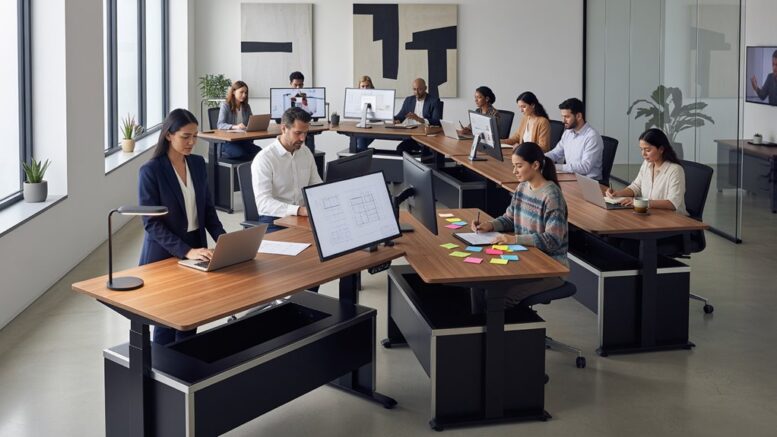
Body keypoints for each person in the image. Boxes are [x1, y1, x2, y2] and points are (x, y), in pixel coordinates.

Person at [138, 109, 226, 345]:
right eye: (185, 136)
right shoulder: (151, 171)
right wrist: (187, 251)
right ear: (169, 135)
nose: (191, 142)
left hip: (197, 247)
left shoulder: (197, 164)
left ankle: (185, 363)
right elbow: (151, 224)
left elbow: (207, 210)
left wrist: (224, 241)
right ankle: (161, 365)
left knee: (191, 316)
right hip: (164, 254)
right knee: (167, 321)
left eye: (195, 136)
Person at [471, 142, 568, 307]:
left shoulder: (552, 196)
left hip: (551, 268)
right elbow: (510, 218)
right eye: (514, 166)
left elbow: (553, 240)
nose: (514, 171)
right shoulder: (522, 187)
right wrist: (490, 225)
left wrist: (514, 240)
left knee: (500, 297)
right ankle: (481, 323)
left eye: (519, 166)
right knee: (480, 282)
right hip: (525, 257)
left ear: (535, 165)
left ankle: (506, 324)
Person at [251, 107, 322, 233]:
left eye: (305, 133)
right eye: (298, 133)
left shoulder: (305, 152)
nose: (303, 138)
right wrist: (298, 210)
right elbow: (263, 204)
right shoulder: (264, 159)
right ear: (283, 128)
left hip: (303, 216)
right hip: (274, 219)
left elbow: (316, 186)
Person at [606, 128, 687, 215]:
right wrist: (618, 194)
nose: (643, 154)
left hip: (673, 218)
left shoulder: (675, 170)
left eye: (648, 150)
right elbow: (636, 187)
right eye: (641, 149)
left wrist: (638, 202)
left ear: (661, 149)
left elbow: (672, 203)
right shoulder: (647, 164)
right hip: (650, 213)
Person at [545, 98, 604, 180]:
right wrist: (540, 158)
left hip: (589, 181)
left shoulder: (592, 137)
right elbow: (555, 153)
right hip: (572, 177)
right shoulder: (568, 133)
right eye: (562, 116)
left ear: (579, 116)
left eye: (567, 117)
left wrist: (555, 167)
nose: (563, 121)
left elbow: (585, 167)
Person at [394, 78, 443, 153]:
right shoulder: (409, 100)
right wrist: (392, 119)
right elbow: (400, 116)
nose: (416, 92)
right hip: (411, 136)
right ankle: (410, 160)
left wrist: (419, 119)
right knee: (400, 149)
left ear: (425, 88)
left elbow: (437, 122)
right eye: (414, 89)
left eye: (419, 89)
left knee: (427, 153)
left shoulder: (434, 101)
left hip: (427, 137)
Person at [216, 80, 261, 160]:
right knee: (241, 154)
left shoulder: (246, 107)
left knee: (259, 152)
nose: (244, 95)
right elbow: (220, 125)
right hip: (228, 142)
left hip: (242, 140)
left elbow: (250, 122)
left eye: (246, 93)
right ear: (233, 92)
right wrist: (235, 126)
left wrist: (254, 125)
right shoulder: (225, 105)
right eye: (241, 92)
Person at [356, 75, 376, 152]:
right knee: (355, 140)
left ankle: (362, 154)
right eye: (362, 86)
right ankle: (363, 153)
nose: (365, 89)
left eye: (367, 86)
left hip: (374, 127)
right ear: (359, 88)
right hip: (360, 127)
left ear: (371, 87)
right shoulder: (356, 99)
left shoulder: (376, 97)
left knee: (360, 141)